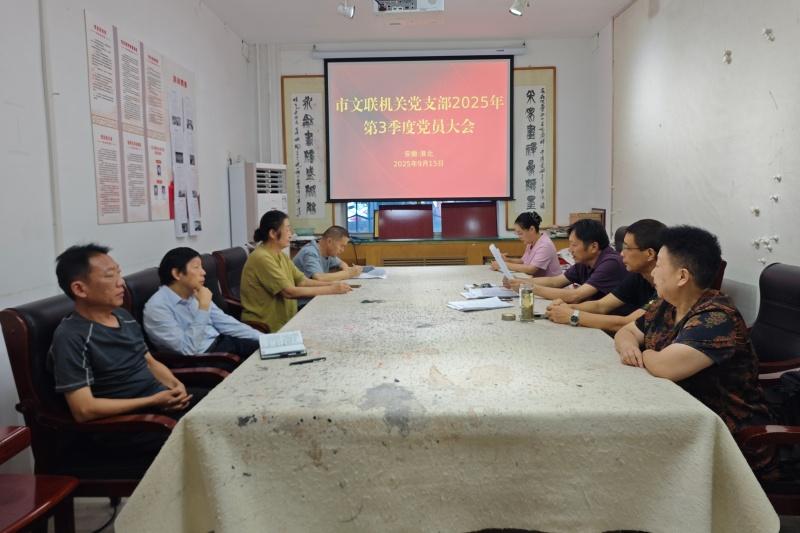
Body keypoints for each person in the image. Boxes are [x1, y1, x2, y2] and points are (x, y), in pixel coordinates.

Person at [614, 226, 772, 438]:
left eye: (658, 265)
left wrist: (644, 352)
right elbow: (626, 332)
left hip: (724, 432)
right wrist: (628, 346)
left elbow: (664, 367)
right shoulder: (666, 304)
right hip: (675, 411)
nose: (652, 272)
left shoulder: (716, 318)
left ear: (682, 276)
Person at [240, 211, 352, 332]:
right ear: (272, 233)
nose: (291, 234)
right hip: (266, 327)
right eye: (287, 230)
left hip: (287, 320)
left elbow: (302, 281)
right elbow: (289, 292)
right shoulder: (262, 257)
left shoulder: (280, 255)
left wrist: (333, 284)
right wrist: (331, 289)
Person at [546, 219, 666, 331]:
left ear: (650, 254)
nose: (622, 254)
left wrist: (573, 315)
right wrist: (567, 307)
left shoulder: (666, 286)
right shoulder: (638, 275)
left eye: (627, 248)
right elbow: (601, 305)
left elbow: (627, 323)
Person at [144, 247, 261, 359]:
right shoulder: (157, 308)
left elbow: (226, 323)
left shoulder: (194, 292)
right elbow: (187, 349)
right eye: (196, 267)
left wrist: (263, 338)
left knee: (266, 350)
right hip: (204, 360)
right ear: (177, 274)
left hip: (223, 343)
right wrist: (203, 307)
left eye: (202, 267)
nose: (204, 272)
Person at [504, 218, 627, 305]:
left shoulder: (611, 263)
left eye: (574, 245)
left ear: (593, 247)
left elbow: (575, 296)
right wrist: (519, 281)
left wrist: (527, 287)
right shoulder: (584, 262)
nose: (570, 249)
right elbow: (554, 282)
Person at [490, 211, 560, 277]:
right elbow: (523, 261)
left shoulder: (545, 245)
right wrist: (507, 260)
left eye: (520, 233)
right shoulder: (531, 242)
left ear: (532, 229)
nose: (519, 237)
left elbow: (531, 269)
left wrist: (503, 265)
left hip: (552, 284)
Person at [293, 225, 363, 281]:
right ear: (329, 241)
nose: (342, 250)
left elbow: (341, 263)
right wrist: (348, 274)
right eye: (342, 246)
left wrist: (346, 269)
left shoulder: (328, 253)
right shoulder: (310, 252)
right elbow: (319, 278)